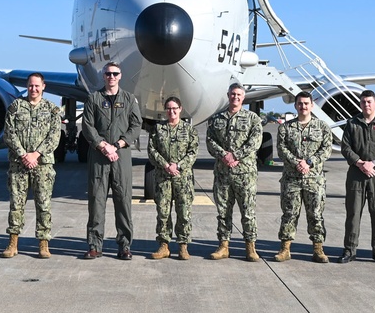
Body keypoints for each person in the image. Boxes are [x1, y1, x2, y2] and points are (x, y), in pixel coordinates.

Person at [81, 61, 142, 260]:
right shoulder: (94, 99)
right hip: (99, 158)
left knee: (123, 202)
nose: (111, 77)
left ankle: (124, 245)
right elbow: (87, 126)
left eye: (115, 73)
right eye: (108, 74)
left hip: (121, 157)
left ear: (120, 75)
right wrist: (103, 145)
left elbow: (136, 125)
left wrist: (118, 144)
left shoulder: (129, 99)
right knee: (96, 203)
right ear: (103, 75)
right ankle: (94, 245)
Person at [0, 72, 62, 259]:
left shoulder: (52, 109)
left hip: (42, 164)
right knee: (16, 205)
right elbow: (9, 133)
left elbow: (54, 136)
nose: (33, 89)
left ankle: (43, 243)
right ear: (26, 87)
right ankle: (13, 242)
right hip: (19, 164)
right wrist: (23, 154)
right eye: (30, 86)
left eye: (37, 86)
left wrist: (36, 154)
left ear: (43, 87)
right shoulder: (16, 107)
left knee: (43, 205)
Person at [206, 83, 263, 262]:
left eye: (239, 94)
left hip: (245, 175)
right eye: (232, 94)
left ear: (243, 97)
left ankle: (250, 247)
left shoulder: (252, 118)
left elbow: (256, 141)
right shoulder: (217, 119)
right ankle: (224, 246)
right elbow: (210, 141)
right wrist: (224, 155)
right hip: (223, 174)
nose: (235, 97)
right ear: (228, 95)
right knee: (223, 212)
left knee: (248, 212)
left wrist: (236, 155)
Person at [339, 89, 375, 264]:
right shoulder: (352, 123)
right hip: (356, 173)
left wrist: (374, 162)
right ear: (360, 104)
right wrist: (360, 163)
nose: (366, 105)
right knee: (353, 213)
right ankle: (349, 250)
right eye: (363, 102)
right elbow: (345, 147)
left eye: (369, 102)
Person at [274, 92, 333, 263]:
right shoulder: (286, 128)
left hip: (314, 179)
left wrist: (309, 162)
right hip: (292, 179)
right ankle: (285, 249)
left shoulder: (322, 127)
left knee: (315, 215)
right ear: (295, 106)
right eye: (300, 103)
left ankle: (318, 249)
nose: (303, 106)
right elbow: (281, 149)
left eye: (306, 103)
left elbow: (326, 149)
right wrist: (296, 162)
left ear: (312, 105)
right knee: (289, 214)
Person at [146, 96, 199, 260]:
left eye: (175, 108)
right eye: (168, 108)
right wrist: (165, 165)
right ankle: (164, 245)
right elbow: (152, 150)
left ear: (180, 109)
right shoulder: (158, 129)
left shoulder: (189, 130)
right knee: (163, 212)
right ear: (165, 110)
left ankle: (183, 246)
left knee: (184, 212)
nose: (172, 111)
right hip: (163, 177)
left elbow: (193, 152)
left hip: (182, 179)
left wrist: (179, 166)